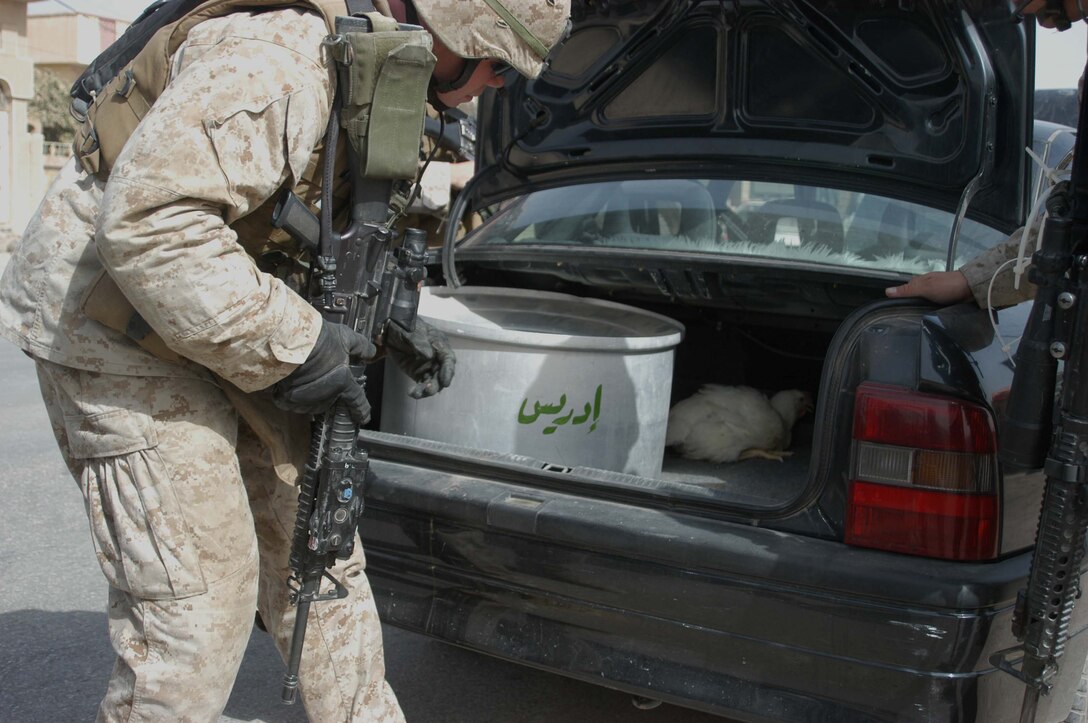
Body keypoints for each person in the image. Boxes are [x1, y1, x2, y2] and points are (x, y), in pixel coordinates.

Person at [0, 0, 571, 721]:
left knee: (321, 555)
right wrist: (300, 346)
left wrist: (391, 323)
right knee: (198, 610)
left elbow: (325, 218)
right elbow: (150, 222)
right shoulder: (284, 59)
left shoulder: (383, 71)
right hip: (111, 319)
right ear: (451, 30)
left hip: (222, 311)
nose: (494, 87)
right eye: (495, 66)